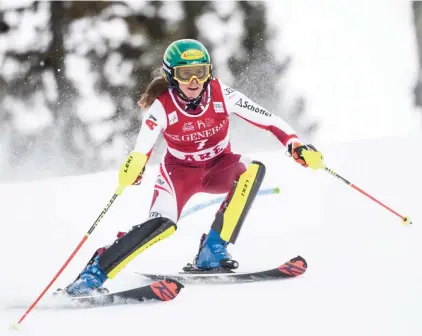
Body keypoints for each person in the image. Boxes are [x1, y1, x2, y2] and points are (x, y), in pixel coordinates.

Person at [63, 38, 324, 296]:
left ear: (208, 72)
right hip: (179, 176)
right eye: (185, 74)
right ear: (171, 76)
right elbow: (142, 149)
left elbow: (268, 120)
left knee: (253, 169)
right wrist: (134, 166)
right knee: (161, 226)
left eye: (200, 72)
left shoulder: (223, 94)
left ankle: (212, 250)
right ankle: (93, 274)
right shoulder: (162, 106)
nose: (194, 82)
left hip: (219, 168)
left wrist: (295, 144)